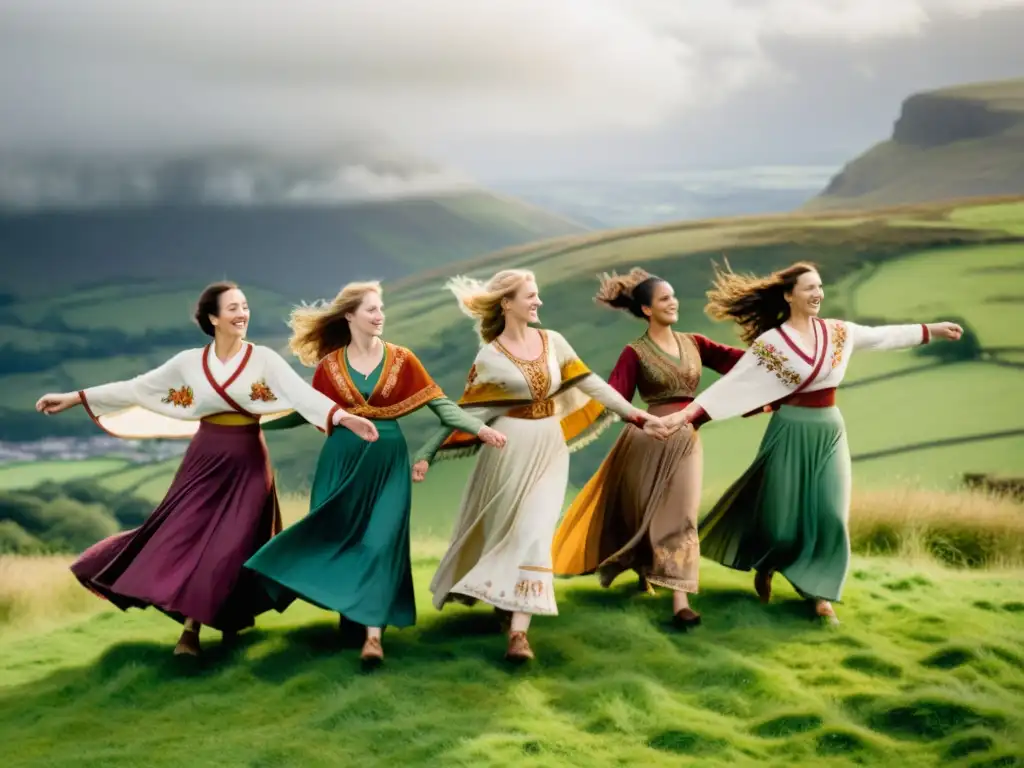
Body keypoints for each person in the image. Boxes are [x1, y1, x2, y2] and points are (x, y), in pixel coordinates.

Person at [34, 281, 379, 656]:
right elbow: (137, 388)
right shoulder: (188, 363)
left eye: (244, 306)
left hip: (248, 461)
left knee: (231, 547)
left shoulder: (263, 359)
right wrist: (74, 397)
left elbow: (301, 394)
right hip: (205, 458)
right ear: (213, 318)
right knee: (185, 535)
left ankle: (204, 627)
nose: (242, 314)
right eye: (232, 308)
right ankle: (194, 628)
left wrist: (344, 418)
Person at [661, 262, 963, 624]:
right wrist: (685, 417)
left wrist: (931, 329)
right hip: (789, 430)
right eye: (809, 288)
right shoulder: (772, 343)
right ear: (789, 296)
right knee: (781, 523)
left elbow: (882, 336)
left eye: (820, 286)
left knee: (831, 514)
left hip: (829, 430)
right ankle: (769, 562)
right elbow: (735, 385)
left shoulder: (838, 332)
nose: (817, 293)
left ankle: (820, 596)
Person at [244, 281, 506, 666]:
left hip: (387, 465)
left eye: (381, 308)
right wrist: (254, 424)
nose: (380, 315)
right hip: (341, 462)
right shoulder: (329, 367)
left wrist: (479, 428)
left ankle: (373, 637)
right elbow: (306, 412)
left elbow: (442, 406)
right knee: (340, 541)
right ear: (349, 316)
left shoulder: (403, 359)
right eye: (371, 309)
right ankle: (351, 619)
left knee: (379, 543)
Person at [412, 268, 666, 662]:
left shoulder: (554, 342)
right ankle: (504, 600)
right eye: (530, 295)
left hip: (549, 447)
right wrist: (426, 453)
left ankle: (519, 636)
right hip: (508, 449)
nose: (538, 301)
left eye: (537, 294)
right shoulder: (490, 358)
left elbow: (592, 384)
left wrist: (636, 415)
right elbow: (466, 412)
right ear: (507, 303)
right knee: (507, 533)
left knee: (534, 531)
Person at [552, 268, 743, 628]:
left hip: (685, 439)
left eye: (673, 296)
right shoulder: (634, 352)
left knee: (682, 515)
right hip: (645, 439)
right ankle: (644, 572)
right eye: (664, 299)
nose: (673, 303)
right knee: (643, 513)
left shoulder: (696, 344)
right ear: (646, 310)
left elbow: (742, 363)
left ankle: (680, 599)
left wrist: (778, 356)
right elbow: (615, 397)